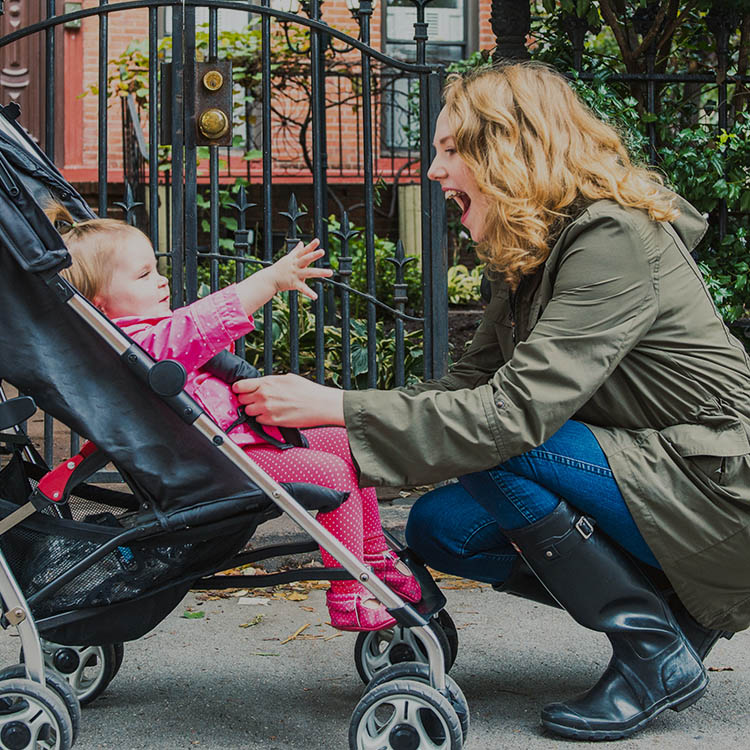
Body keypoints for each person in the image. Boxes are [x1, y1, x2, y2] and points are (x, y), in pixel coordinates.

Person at [230, 62, 750, 741]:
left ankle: (653, 650)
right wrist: (333, 420)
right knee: (439, 530)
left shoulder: (613, 237)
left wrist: (336, 406)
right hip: (648, 475)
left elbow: (510, 415)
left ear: (508, 149)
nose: (432, 171)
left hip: (717, 492)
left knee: (503, 443)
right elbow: (466, 392)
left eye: (450, 149)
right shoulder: (532, 250)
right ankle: (678, 613)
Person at [47, 204, 421, 632]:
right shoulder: (131, 346)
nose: (162, 280)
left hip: (240, 447)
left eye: (157, 269)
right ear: (99, 302)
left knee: (346, 442)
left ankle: (373, 557)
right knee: (331, 473)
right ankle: (349, 594)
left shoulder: (146, 338)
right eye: (144, 275)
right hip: (214, 469)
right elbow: (200, 326)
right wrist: (267, 282)